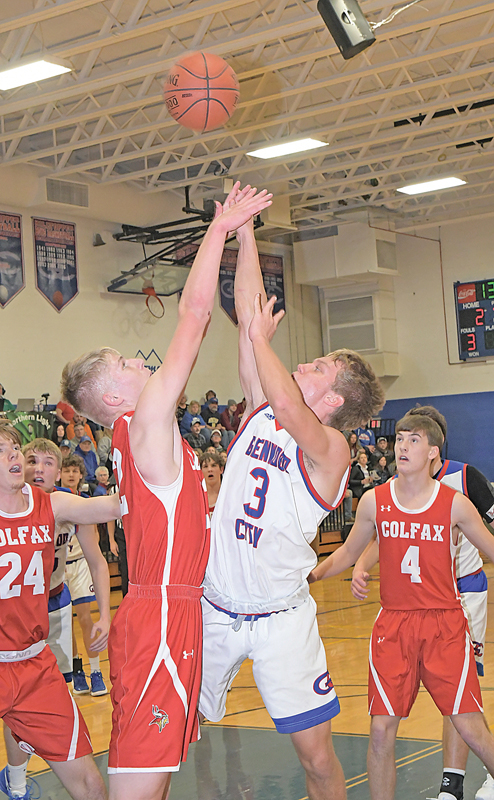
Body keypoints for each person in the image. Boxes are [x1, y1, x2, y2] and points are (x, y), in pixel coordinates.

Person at [59, 183, 273, 800]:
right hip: (159, 613)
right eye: (125, 363)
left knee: (150, 779)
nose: (138, 362)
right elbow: (195, 314)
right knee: (138, 784)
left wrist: (243, 238)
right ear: (116, 399)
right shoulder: (148, 419)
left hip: (169, 609)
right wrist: (221, 226)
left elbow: (242, 347)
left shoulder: (135, 434)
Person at [199, 211, 384, 800]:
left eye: (320, 365)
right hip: (216, 605)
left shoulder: (332, 450)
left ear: (334, 396)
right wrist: (244, 232)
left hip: (281, 618)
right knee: (169, 732)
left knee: (318, 759)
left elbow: (280, 389)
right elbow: (249, 319)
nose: (306, 361)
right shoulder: (260, 407)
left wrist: (258, 337)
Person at [310, 413, 494, 800]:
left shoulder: (455, 504)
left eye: (413, 440)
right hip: (393, 627)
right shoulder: (374, 500)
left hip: (443, 625)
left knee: (470, 726)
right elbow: (348, 552)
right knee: (379, 731)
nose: (403, 447)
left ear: (432, 452)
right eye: (400, 439)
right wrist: (309, 577)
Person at [0, 419, 119, 800]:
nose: (13, 456)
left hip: (35, 664)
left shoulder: (51, 504)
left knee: (89, 784)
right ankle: (16, 781)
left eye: (14, 449)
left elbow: (111, 506)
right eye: (1, 453)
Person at [61, 454, 110, 696]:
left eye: (75, 471)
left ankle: (96, 671)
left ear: (81, 475)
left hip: (79, 564)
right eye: (67, 470)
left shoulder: (85, 501)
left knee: (84, 619)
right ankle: (77, 669)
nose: (71, 474)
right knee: (64, 623)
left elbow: (95, 539)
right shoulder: (52, 500)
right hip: (58, 567)